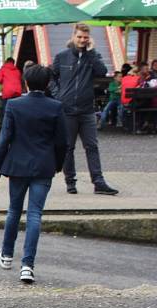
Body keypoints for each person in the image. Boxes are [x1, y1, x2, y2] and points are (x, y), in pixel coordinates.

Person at [0, 65, 67, 284]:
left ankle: (6, 254)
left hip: (17, 165)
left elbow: (4, 139)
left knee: (14, 210)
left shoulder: (14, 105)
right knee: (35, 214)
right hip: (44, 165)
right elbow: (63, 142)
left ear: (25, 83)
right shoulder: (56, 107)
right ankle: (27, 265)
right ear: (47, 84)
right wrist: (58, 165)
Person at [51, 23, 117, 195]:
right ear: (74, 36)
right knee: (68, 147)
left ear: (89, 39)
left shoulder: (92, 56)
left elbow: (102, 72)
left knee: (92, 146)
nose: (82, 40)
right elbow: (51, 77)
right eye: (79, 37)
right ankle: (70, 182)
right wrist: (58, 95)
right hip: (67, 109)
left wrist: (92, 52)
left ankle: (98, 182)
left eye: (85, 37)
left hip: (87, 109)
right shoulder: (61, 56)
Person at [0, 57, 22, 129]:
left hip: (7, 92)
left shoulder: (3, 69)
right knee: (16, 110)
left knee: (6, 110)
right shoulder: (17, 70)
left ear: (6, 62)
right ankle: (16, 126)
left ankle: (5, 127)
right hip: (17, 92)